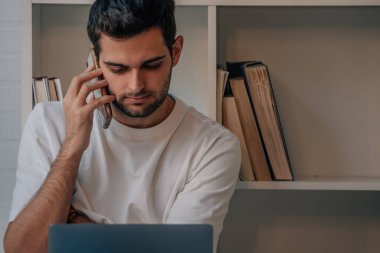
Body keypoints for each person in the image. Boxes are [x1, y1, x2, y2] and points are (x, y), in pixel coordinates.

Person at [3, 0, 241, 252]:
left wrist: (76, 220)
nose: (135, 85)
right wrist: (71, 151)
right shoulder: (48, 123)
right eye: (118, 68)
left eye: (151, 65)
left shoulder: (213, 146)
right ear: (94, 61)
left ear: (176, 51)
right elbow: (22, 250)